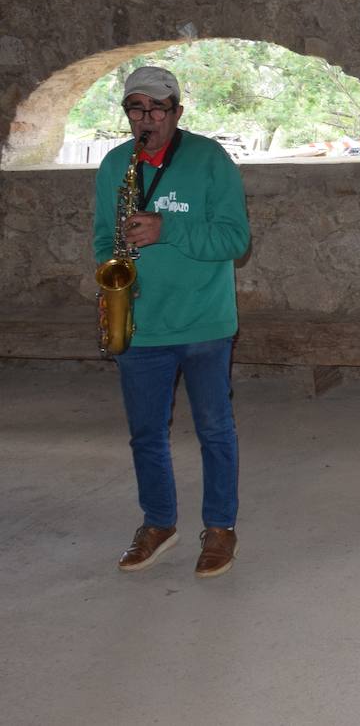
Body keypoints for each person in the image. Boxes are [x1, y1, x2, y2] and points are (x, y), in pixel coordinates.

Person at [93, 65, 250, 578]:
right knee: (145, 434)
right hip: (142, 324)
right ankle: (158, 523)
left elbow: (234, 240)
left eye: (157, 108)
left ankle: (220, 528)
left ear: (177, 112)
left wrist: (168, 228)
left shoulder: (210, 160)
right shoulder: (116, 164)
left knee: (215, 431)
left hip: (205, 322)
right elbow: (101, 240)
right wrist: (114, 283)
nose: (146, 119)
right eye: (135, 108)